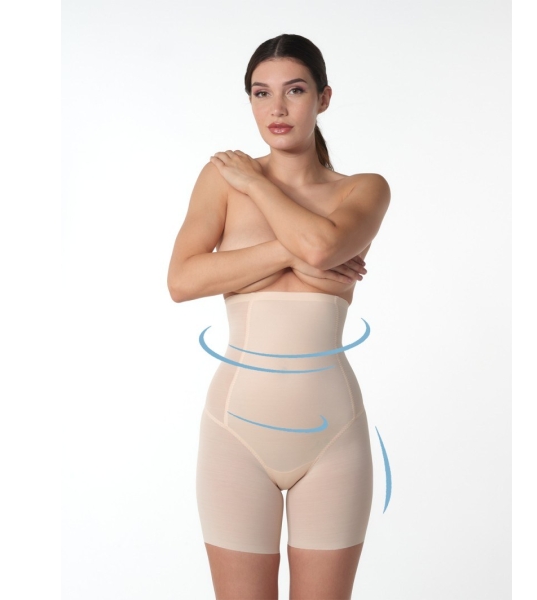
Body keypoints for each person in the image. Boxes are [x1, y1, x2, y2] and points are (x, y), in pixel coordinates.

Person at [167, 33, 390, 600]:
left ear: (324, 97)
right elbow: (182, 280)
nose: (277, 108)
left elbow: (319, 247)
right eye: (261, 93)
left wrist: (255, 184)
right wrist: (294, 253)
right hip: (235, 433)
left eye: (295, 90)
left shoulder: (363, 189)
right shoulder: (219, 180)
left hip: (333, 436)